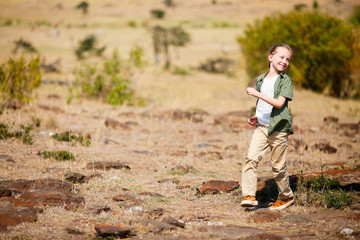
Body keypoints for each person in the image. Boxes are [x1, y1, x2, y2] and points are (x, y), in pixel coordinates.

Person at [240, 43, 294, 211]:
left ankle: (286, 196)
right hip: (262, 127)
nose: (285, 61)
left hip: (278, 129)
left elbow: (278, 104)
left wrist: (257, 93)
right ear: (271, 57)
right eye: (281, 57)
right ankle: (249, 195)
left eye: (288, 59)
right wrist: (257, 116)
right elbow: (264, 104)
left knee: (278, 167)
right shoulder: (261, 79)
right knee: (251, 159)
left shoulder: (285, 81)